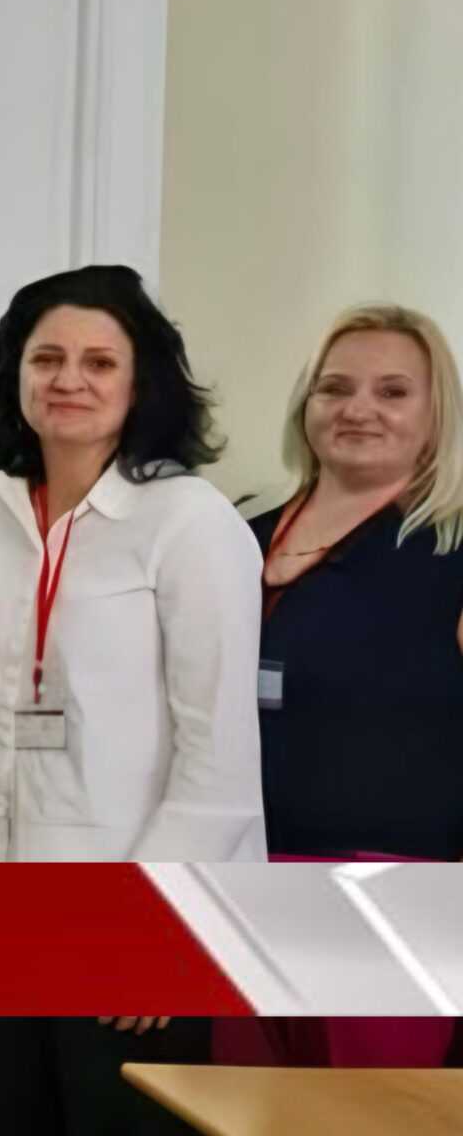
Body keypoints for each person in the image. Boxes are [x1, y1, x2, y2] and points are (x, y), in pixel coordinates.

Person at [0, 266, 260, 1135]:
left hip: (123, 921)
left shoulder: (192, 522)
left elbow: (220, 763)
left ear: (141, 382)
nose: (68, 380)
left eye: (99, 362)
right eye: (45, 358)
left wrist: (154, 932)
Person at [218, 305, 463, 1070]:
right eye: (335, 388)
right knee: (238, 1112)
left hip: (394, 894)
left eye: (393, 392)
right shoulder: (233, 537)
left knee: (369, 1116)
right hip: (236, 880)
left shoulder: (452, 549)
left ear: (437, 414)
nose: (359, 409)